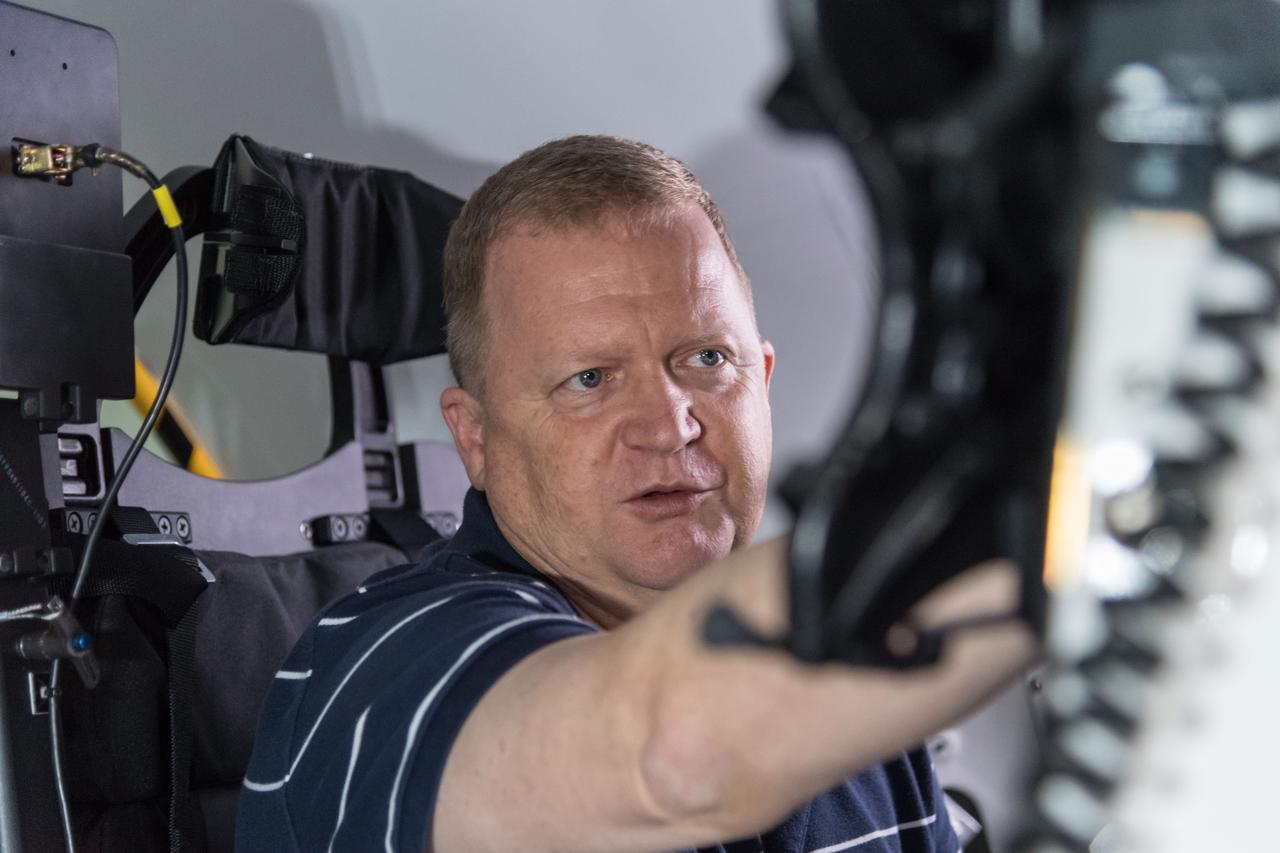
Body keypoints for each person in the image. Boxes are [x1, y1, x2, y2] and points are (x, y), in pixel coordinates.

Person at [236, 135, 1035, 852]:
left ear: (761, 380)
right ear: (474, 437)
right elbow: (671, 754)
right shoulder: (384, 669)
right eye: (589, 379)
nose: (667, 424)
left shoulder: (842, 701)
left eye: (705, 360)